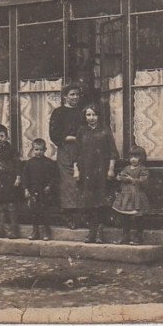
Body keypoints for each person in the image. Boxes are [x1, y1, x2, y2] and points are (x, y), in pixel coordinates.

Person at [74, 104, 119, 243]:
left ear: (98, 116)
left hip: (101, 171)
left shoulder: (105, 130)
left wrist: (111, 169)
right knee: (89, 201)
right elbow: (77, 153)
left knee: (101, 201)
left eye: (94, 114)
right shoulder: (82, 131)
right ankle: (91, 231)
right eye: (88, 115)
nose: (91, 118)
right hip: (86, 171)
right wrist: (76, 170)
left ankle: (100, 231)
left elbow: (112, 151)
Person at [49, 83, 84, 229]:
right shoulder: (58, 112)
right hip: (65, 149)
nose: (75, 97)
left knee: (81, 180)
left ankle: (82, 215)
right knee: (68, 182)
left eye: (77, 94)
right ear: (65, 97)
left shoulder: (83, 112)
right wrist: (67, 138)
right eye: (72, 94)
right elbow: (53, 134)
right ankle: (70, 216)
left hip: (82, 150)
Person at [112, 145, 150, 245]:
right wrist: (120, 178)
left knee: (138, 217)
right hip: (125, 196)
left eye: (136, 157)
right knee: (125, 217)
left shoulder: (142, 169)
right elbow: (120, 177)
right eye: (131, 157)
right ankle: (125, 237)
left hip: (137, 196)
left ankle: (139, 237)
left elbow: (143, 181)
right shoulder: (126, 168)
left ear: (141, 158)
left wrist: (131, 179)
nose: (133, 159)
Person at [22, 137, 56, 241]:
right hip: (33, 191)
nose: (38, 152)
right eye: (36, 149)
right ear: (32, 150)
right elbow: (25, 177)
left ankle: (46, 231)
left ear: (45, 150)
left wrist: (49, 186)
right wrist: (26, 190)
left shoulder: (49, 163)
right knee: (34, 212)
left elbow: (54, 177)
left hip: (45, 192)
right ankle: (35, 231)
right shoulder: (29, 163)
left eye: (41, 150)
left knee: (45, 212)